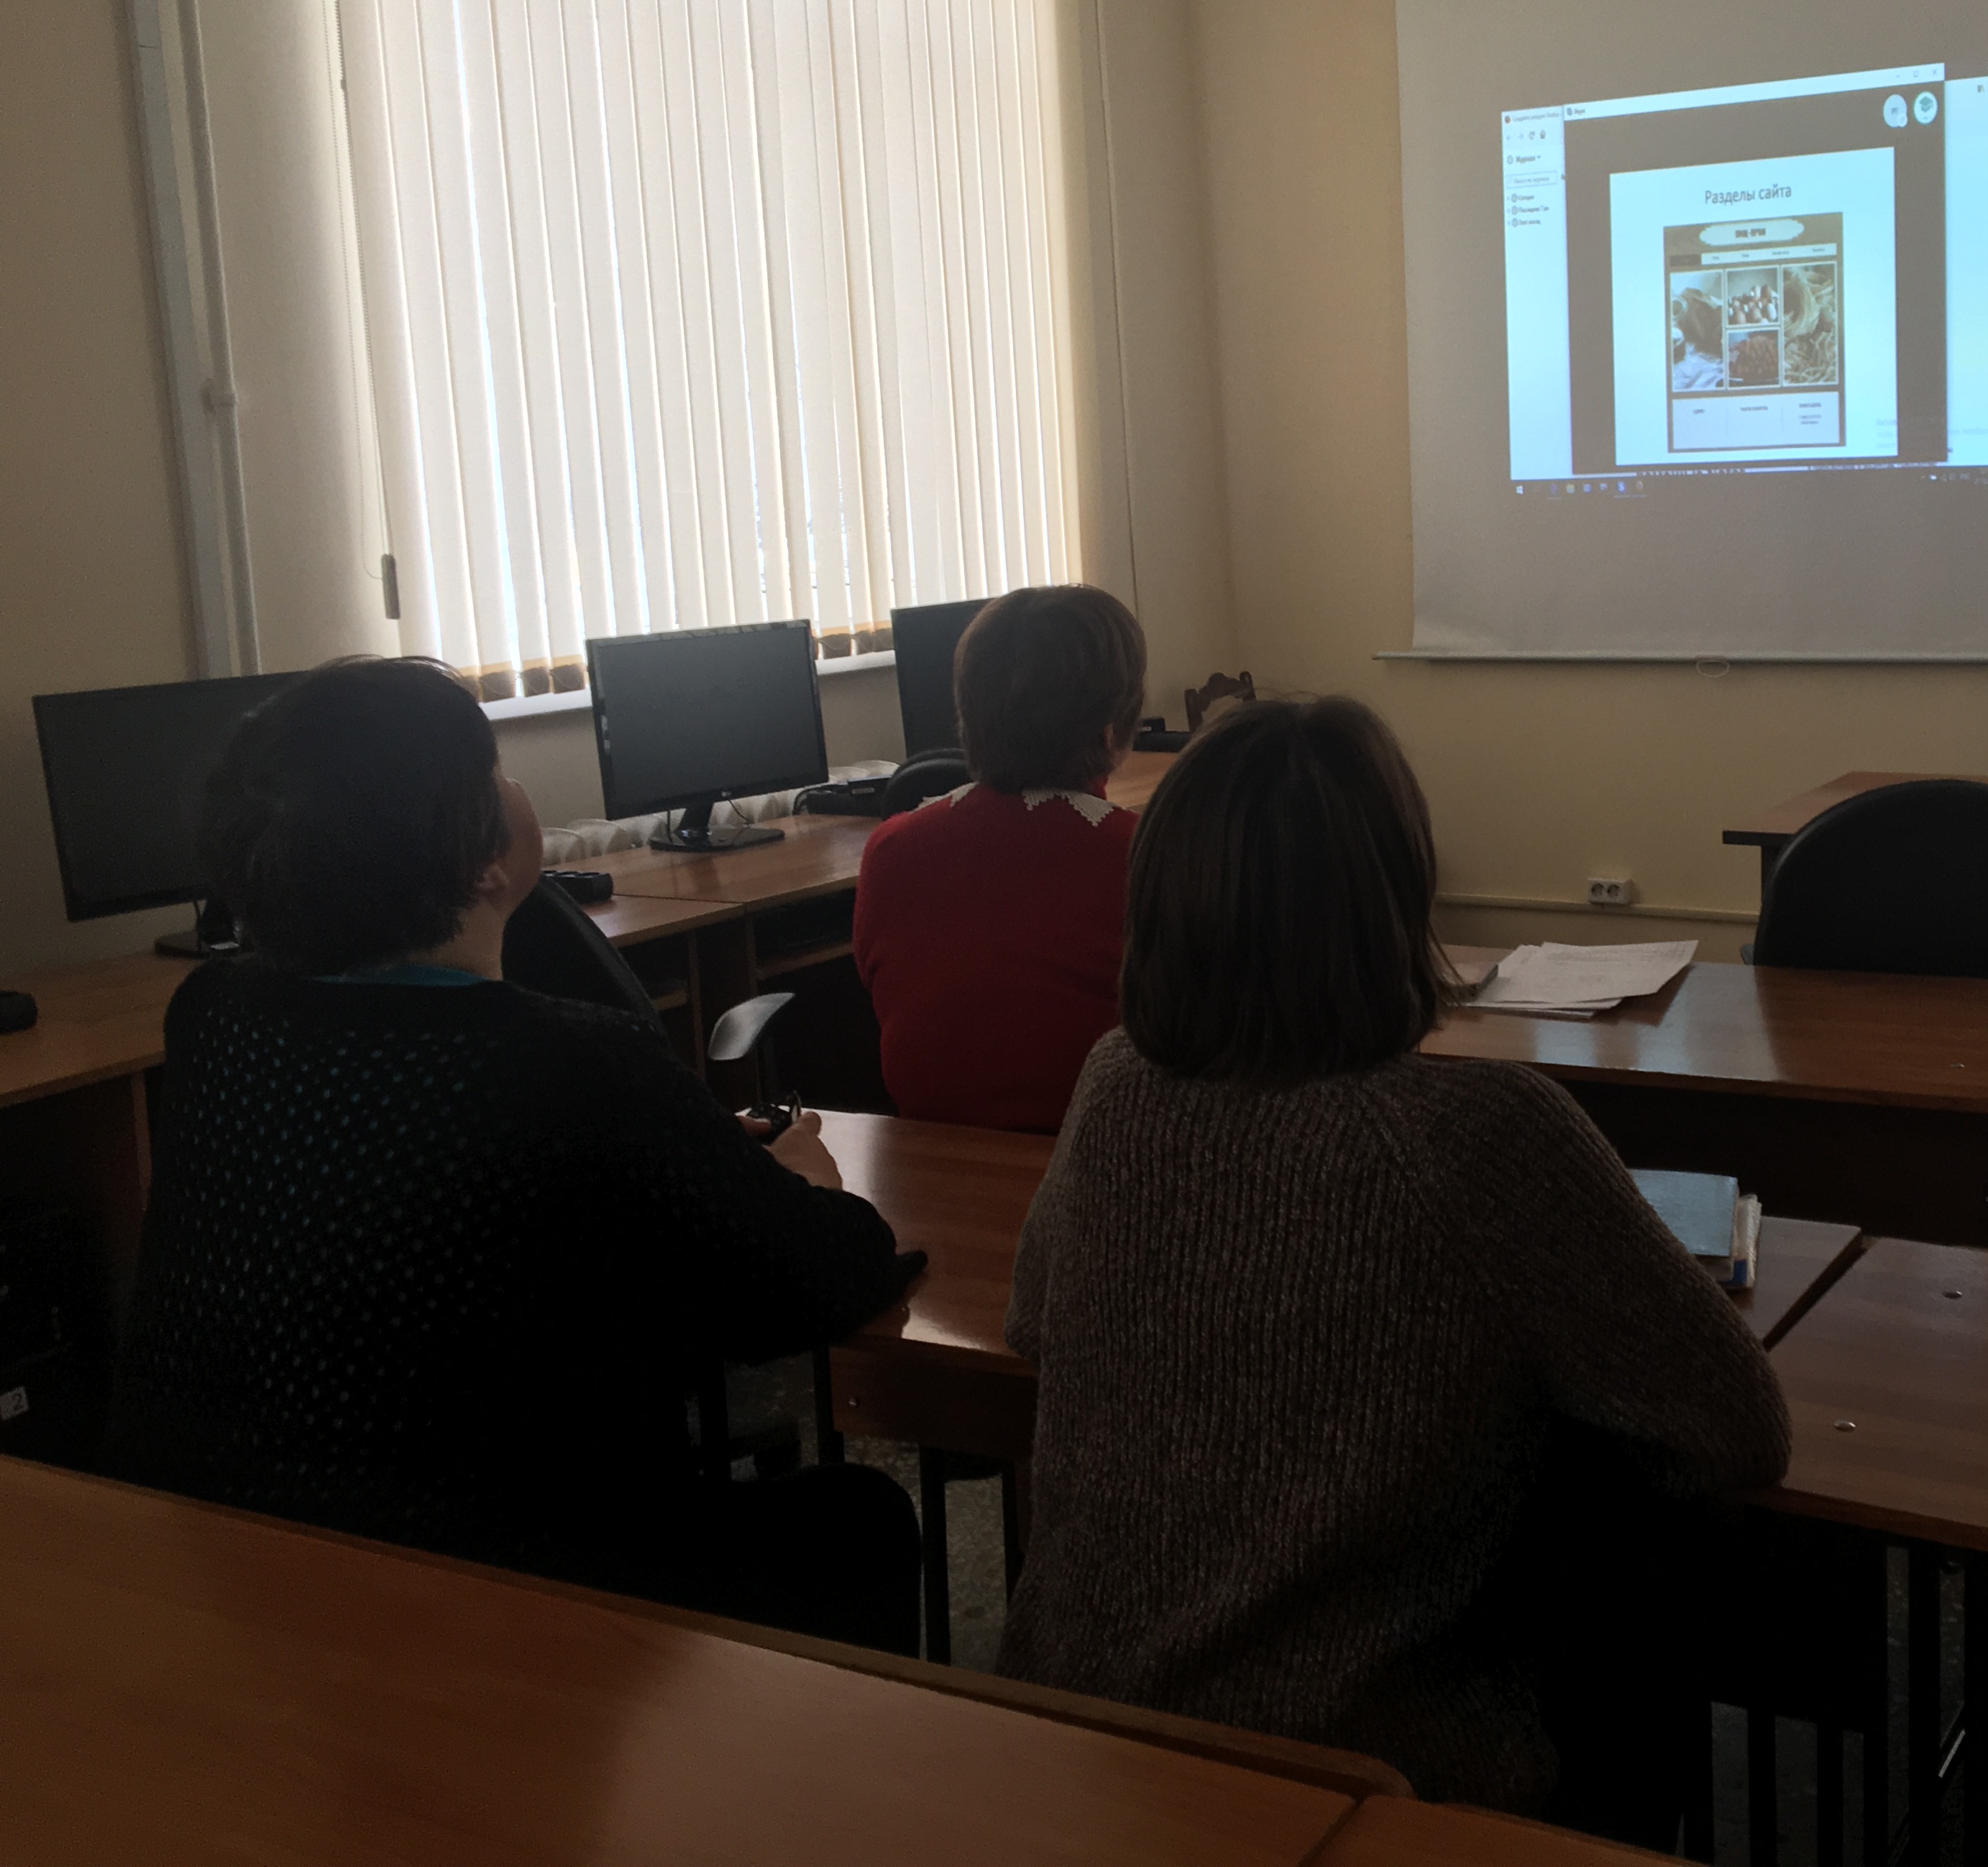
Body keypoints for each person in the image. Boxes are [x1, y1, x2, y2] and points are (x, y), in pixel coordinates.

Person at [997, 694, 1790, 1826]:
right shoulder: (1485, 1132)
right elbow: (1737, 1426)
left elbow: (1034, 1323)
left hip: (1081, 1749)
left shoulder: (1112, 1082)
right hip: (1362, 1783)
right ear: (1398, 897)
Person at [103, 658, 922, 1651]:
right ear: (481, 863)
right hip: (505, 1600)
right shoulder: (569, 1058)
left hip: (228, 1574)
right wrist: (803, 1182)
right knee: (858, 1520)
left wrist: (682, 1164)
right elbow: (816, 1288)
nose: (518, 788)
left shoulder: (212, 1014)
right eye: (498, 770)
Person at [853, 585, 1146, 1132]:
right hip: (1104, 1163)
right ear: (1111, 732)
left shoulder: (890, 850)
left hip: (930, 1166)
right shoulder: (1148, 858)